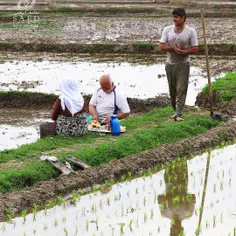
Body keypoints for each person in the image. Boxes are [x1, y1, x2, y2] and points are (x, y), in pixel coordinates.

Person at [159, 8, 198, 121]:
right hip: (170, 64)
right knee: (172, 90)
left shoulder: (191, 31)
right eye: (173, 17)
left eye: (176, 17)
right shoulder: (167, 30)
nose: (174, 19)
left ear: (183, 18)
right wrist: (172, 48)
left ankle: (178, 114)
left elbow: (195, 48)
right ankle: (175, 110)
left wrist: (183, 52)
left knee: (181, 88)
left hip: (183, 64)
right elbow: (161, 46)